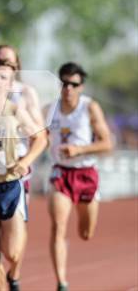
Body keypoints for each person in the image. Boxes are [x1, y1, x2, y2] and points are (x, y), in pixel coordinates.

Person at [0, 59, 46, 291]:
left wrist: (25, 161)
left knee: (12, 253)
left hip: (10, 185)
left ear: (10, 85)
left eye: (3, 77)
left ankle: (13, 273)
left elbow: (41, 138)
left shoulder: (15, 110)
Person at [45, 62, 112, 291]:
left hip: (86, 174)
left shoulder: (90, 108)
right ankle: (61, 282)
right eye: (64, 83)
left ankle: (84, 227)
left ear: (81, 86)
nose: (68, 89)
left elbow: (107, 143)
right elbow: (36, 134)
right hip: (60, 172)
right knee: (58, 225)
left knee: (86, 233)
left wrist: (79, 150)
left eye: (73, 84)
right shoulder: (50, 109)